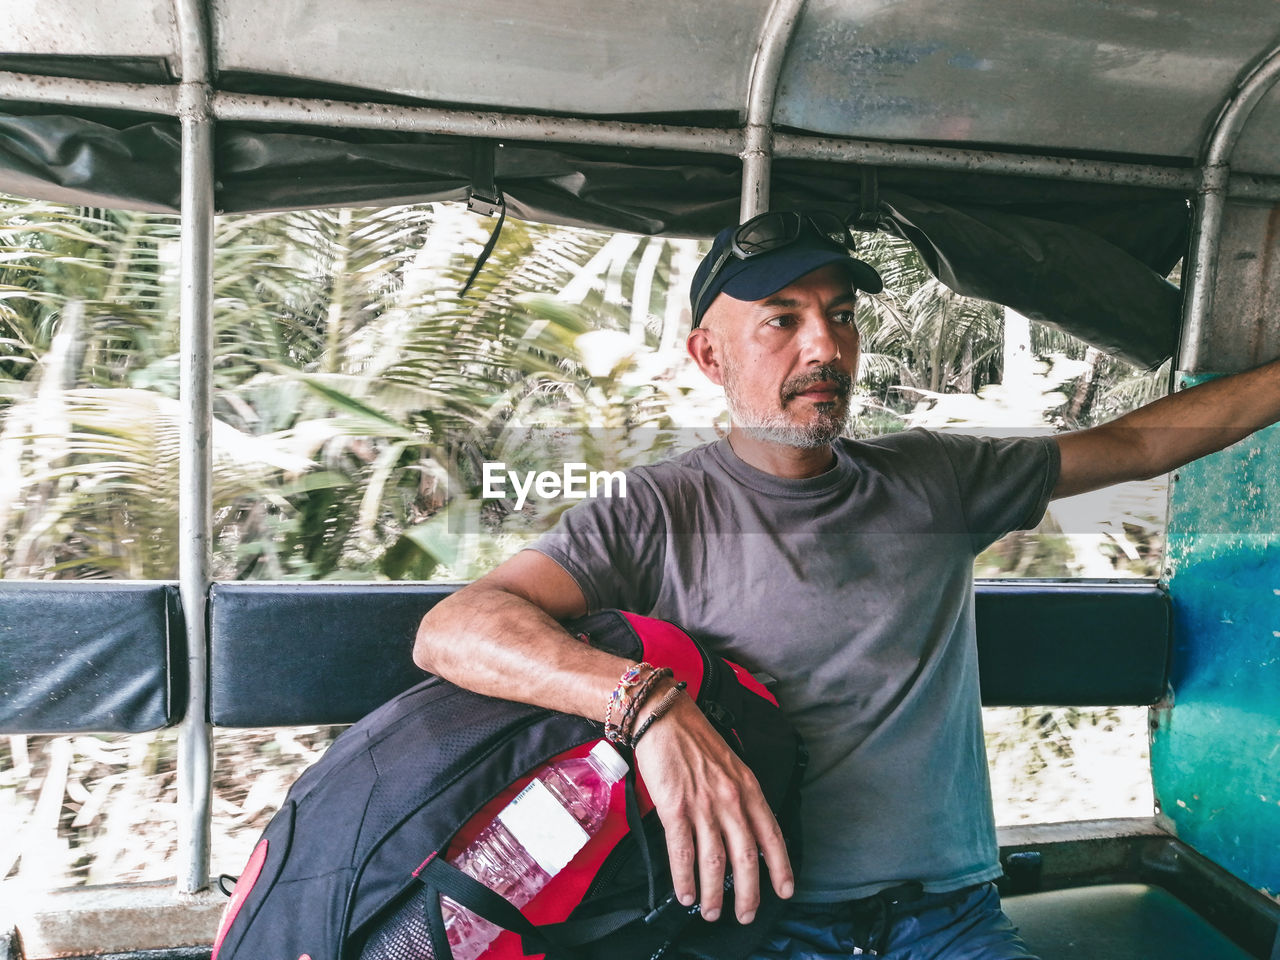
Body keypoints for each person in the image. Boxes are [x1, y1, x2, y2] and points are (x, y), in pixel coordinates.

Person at [414, 210, 1280, 959]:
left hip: (951, 922)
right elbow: (455, 627)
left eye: (839, 316)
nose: (823, 346)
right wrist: (647, 705)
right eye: (780, 321)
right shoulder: (657, 508)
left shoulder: (935, 478)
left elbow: (1137, 448)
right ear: (709, 355)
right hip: (756, 929)